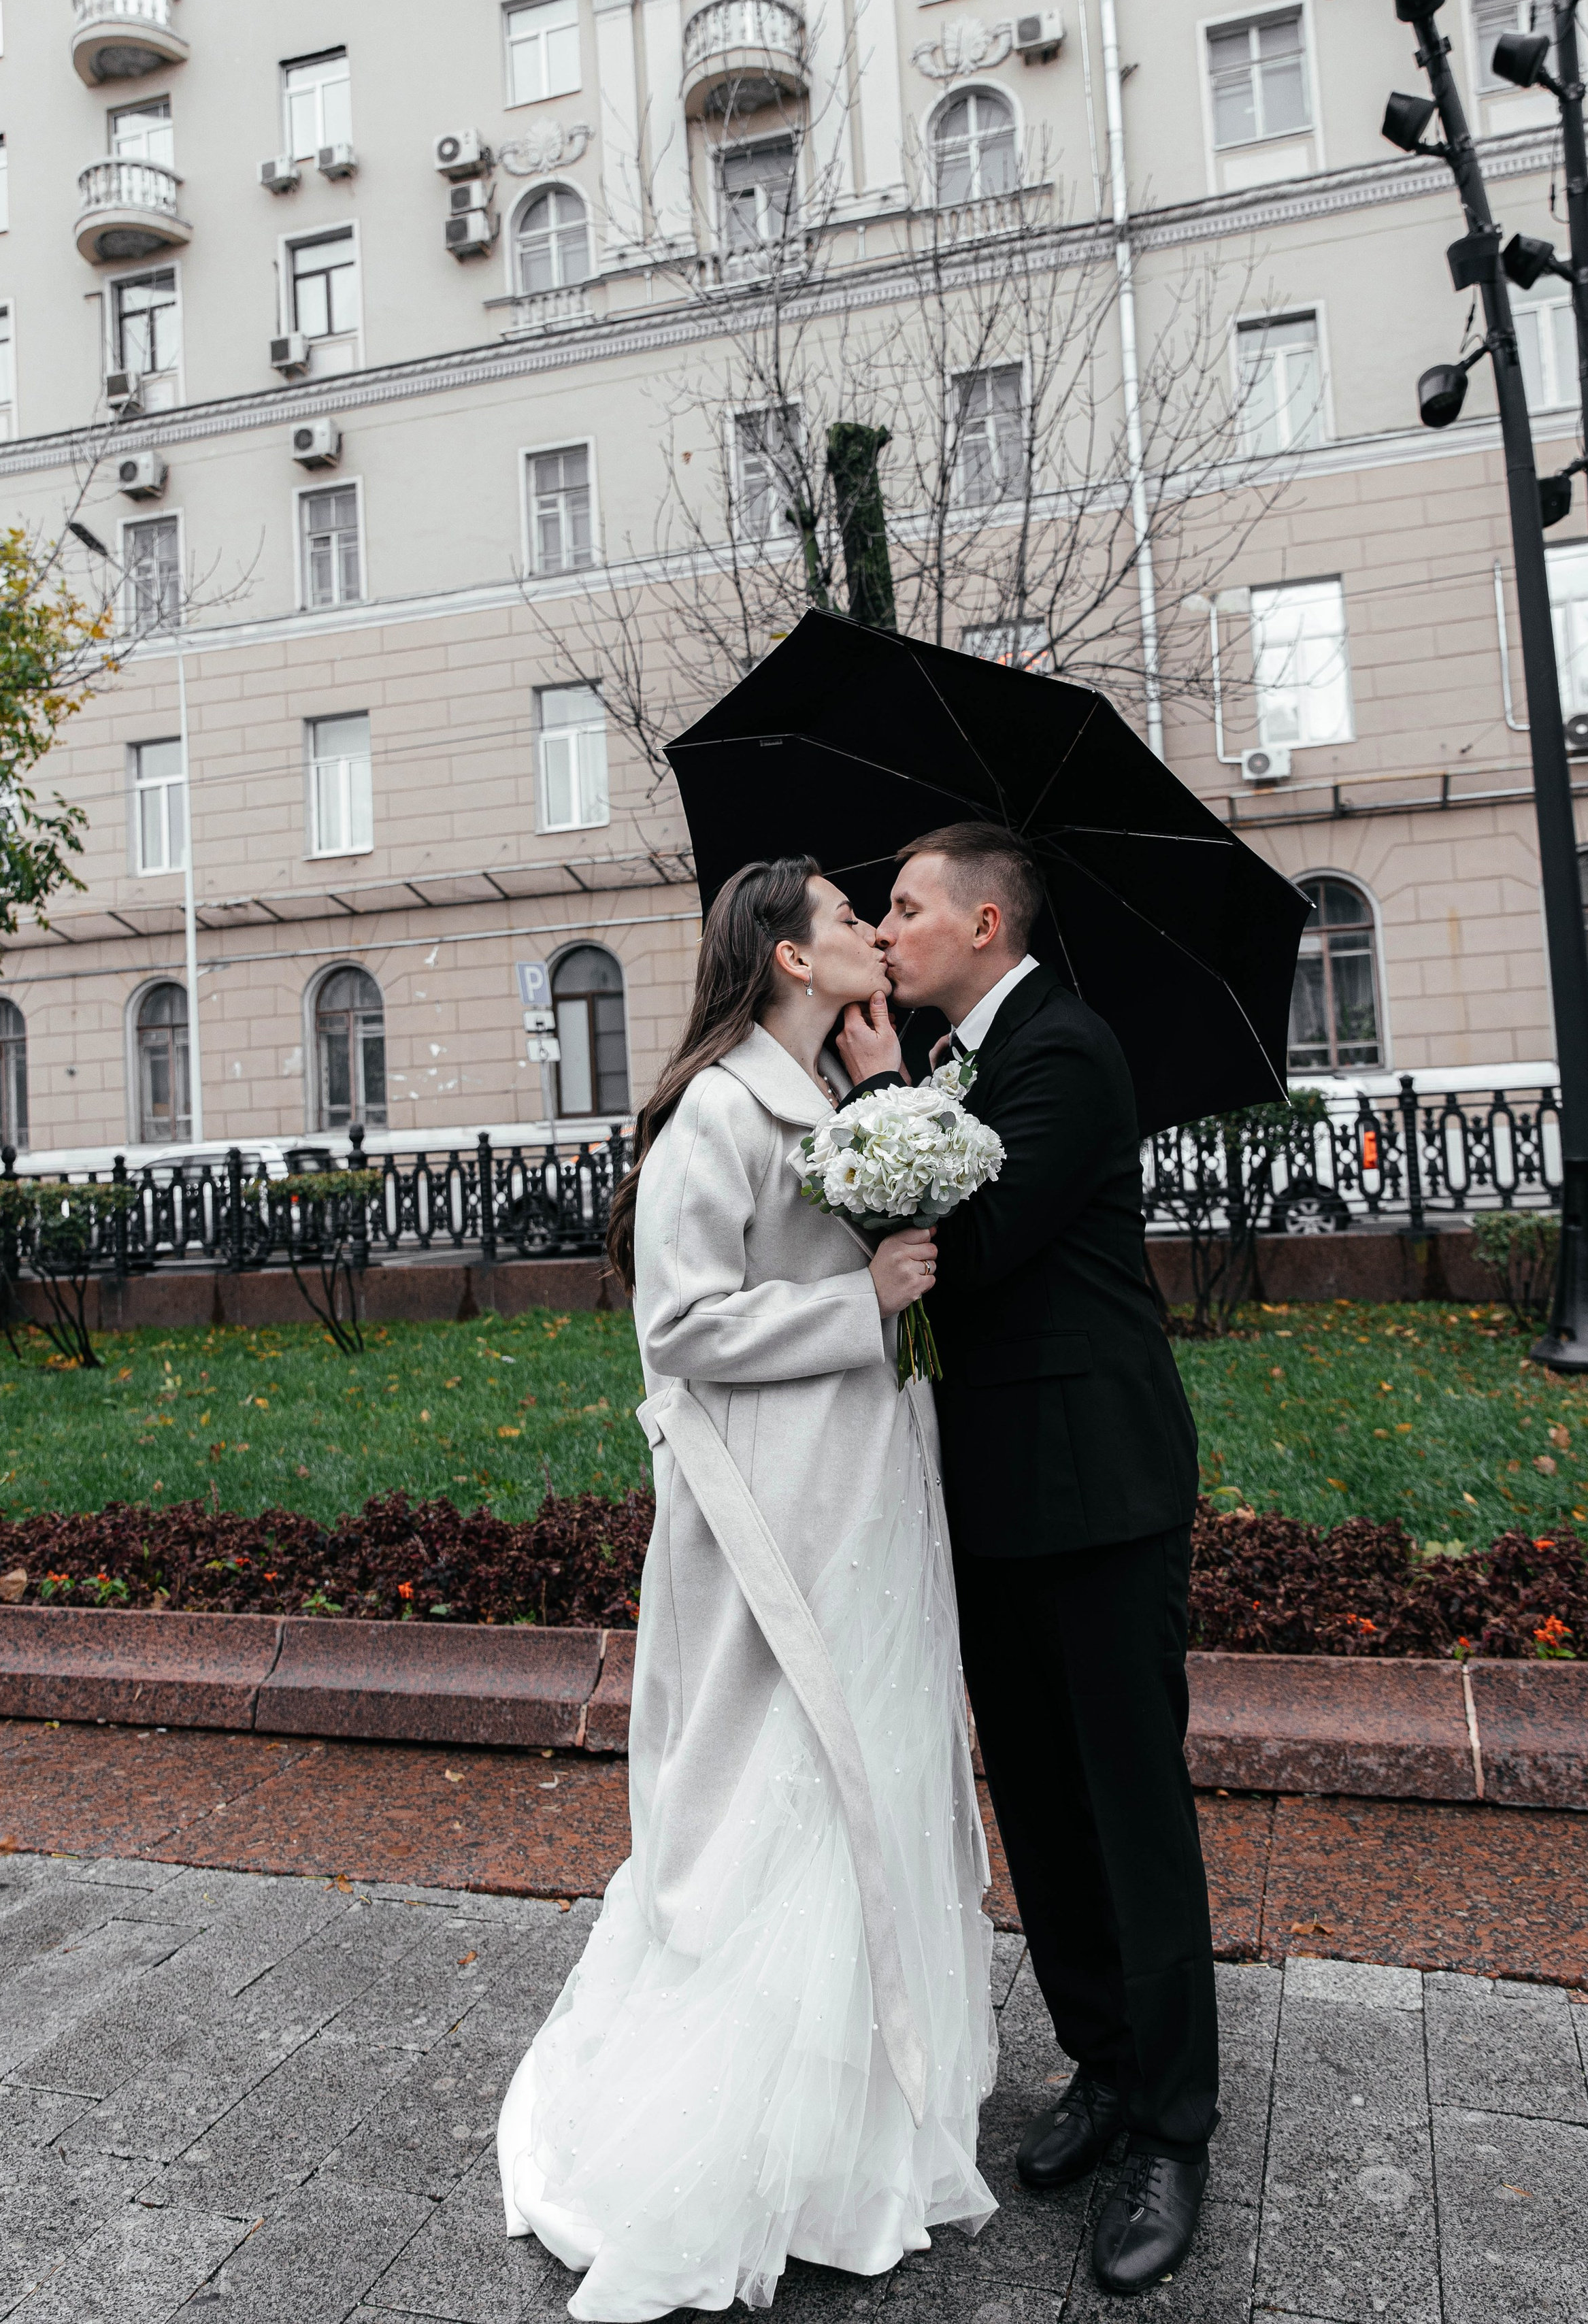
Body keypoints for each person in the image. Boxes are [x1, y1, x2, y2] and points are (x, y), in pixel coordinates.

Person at [497, 856, 997, 2321]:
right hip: (769, 1518)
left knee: (869, 1769)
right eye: (848, 919)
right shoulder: (718, 1111)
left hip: (861, 1494)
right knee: (783, 1783)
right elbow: (684, 1324)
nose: (869, 935)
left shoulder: (829, 1100)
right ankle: (729, 2134)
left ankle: (853, 2128)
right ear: (786, 956)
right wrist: (863, 1302)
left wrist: (888, 1093)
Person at [838, 820, 1217, 2298]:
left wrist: (878, 1091)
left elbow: (974, 1248)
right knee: (1045, 1817)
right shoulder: (948, 1071)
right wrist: (887, 1089)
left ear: (984, 926)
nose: (884, 928)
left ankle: (1171, 2133)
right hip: (987, 1498)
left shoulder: (1065, 1052)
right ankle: (1104, 2072)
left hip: (1103, 1494)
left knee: (1129, 1815)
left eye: (905, 905)